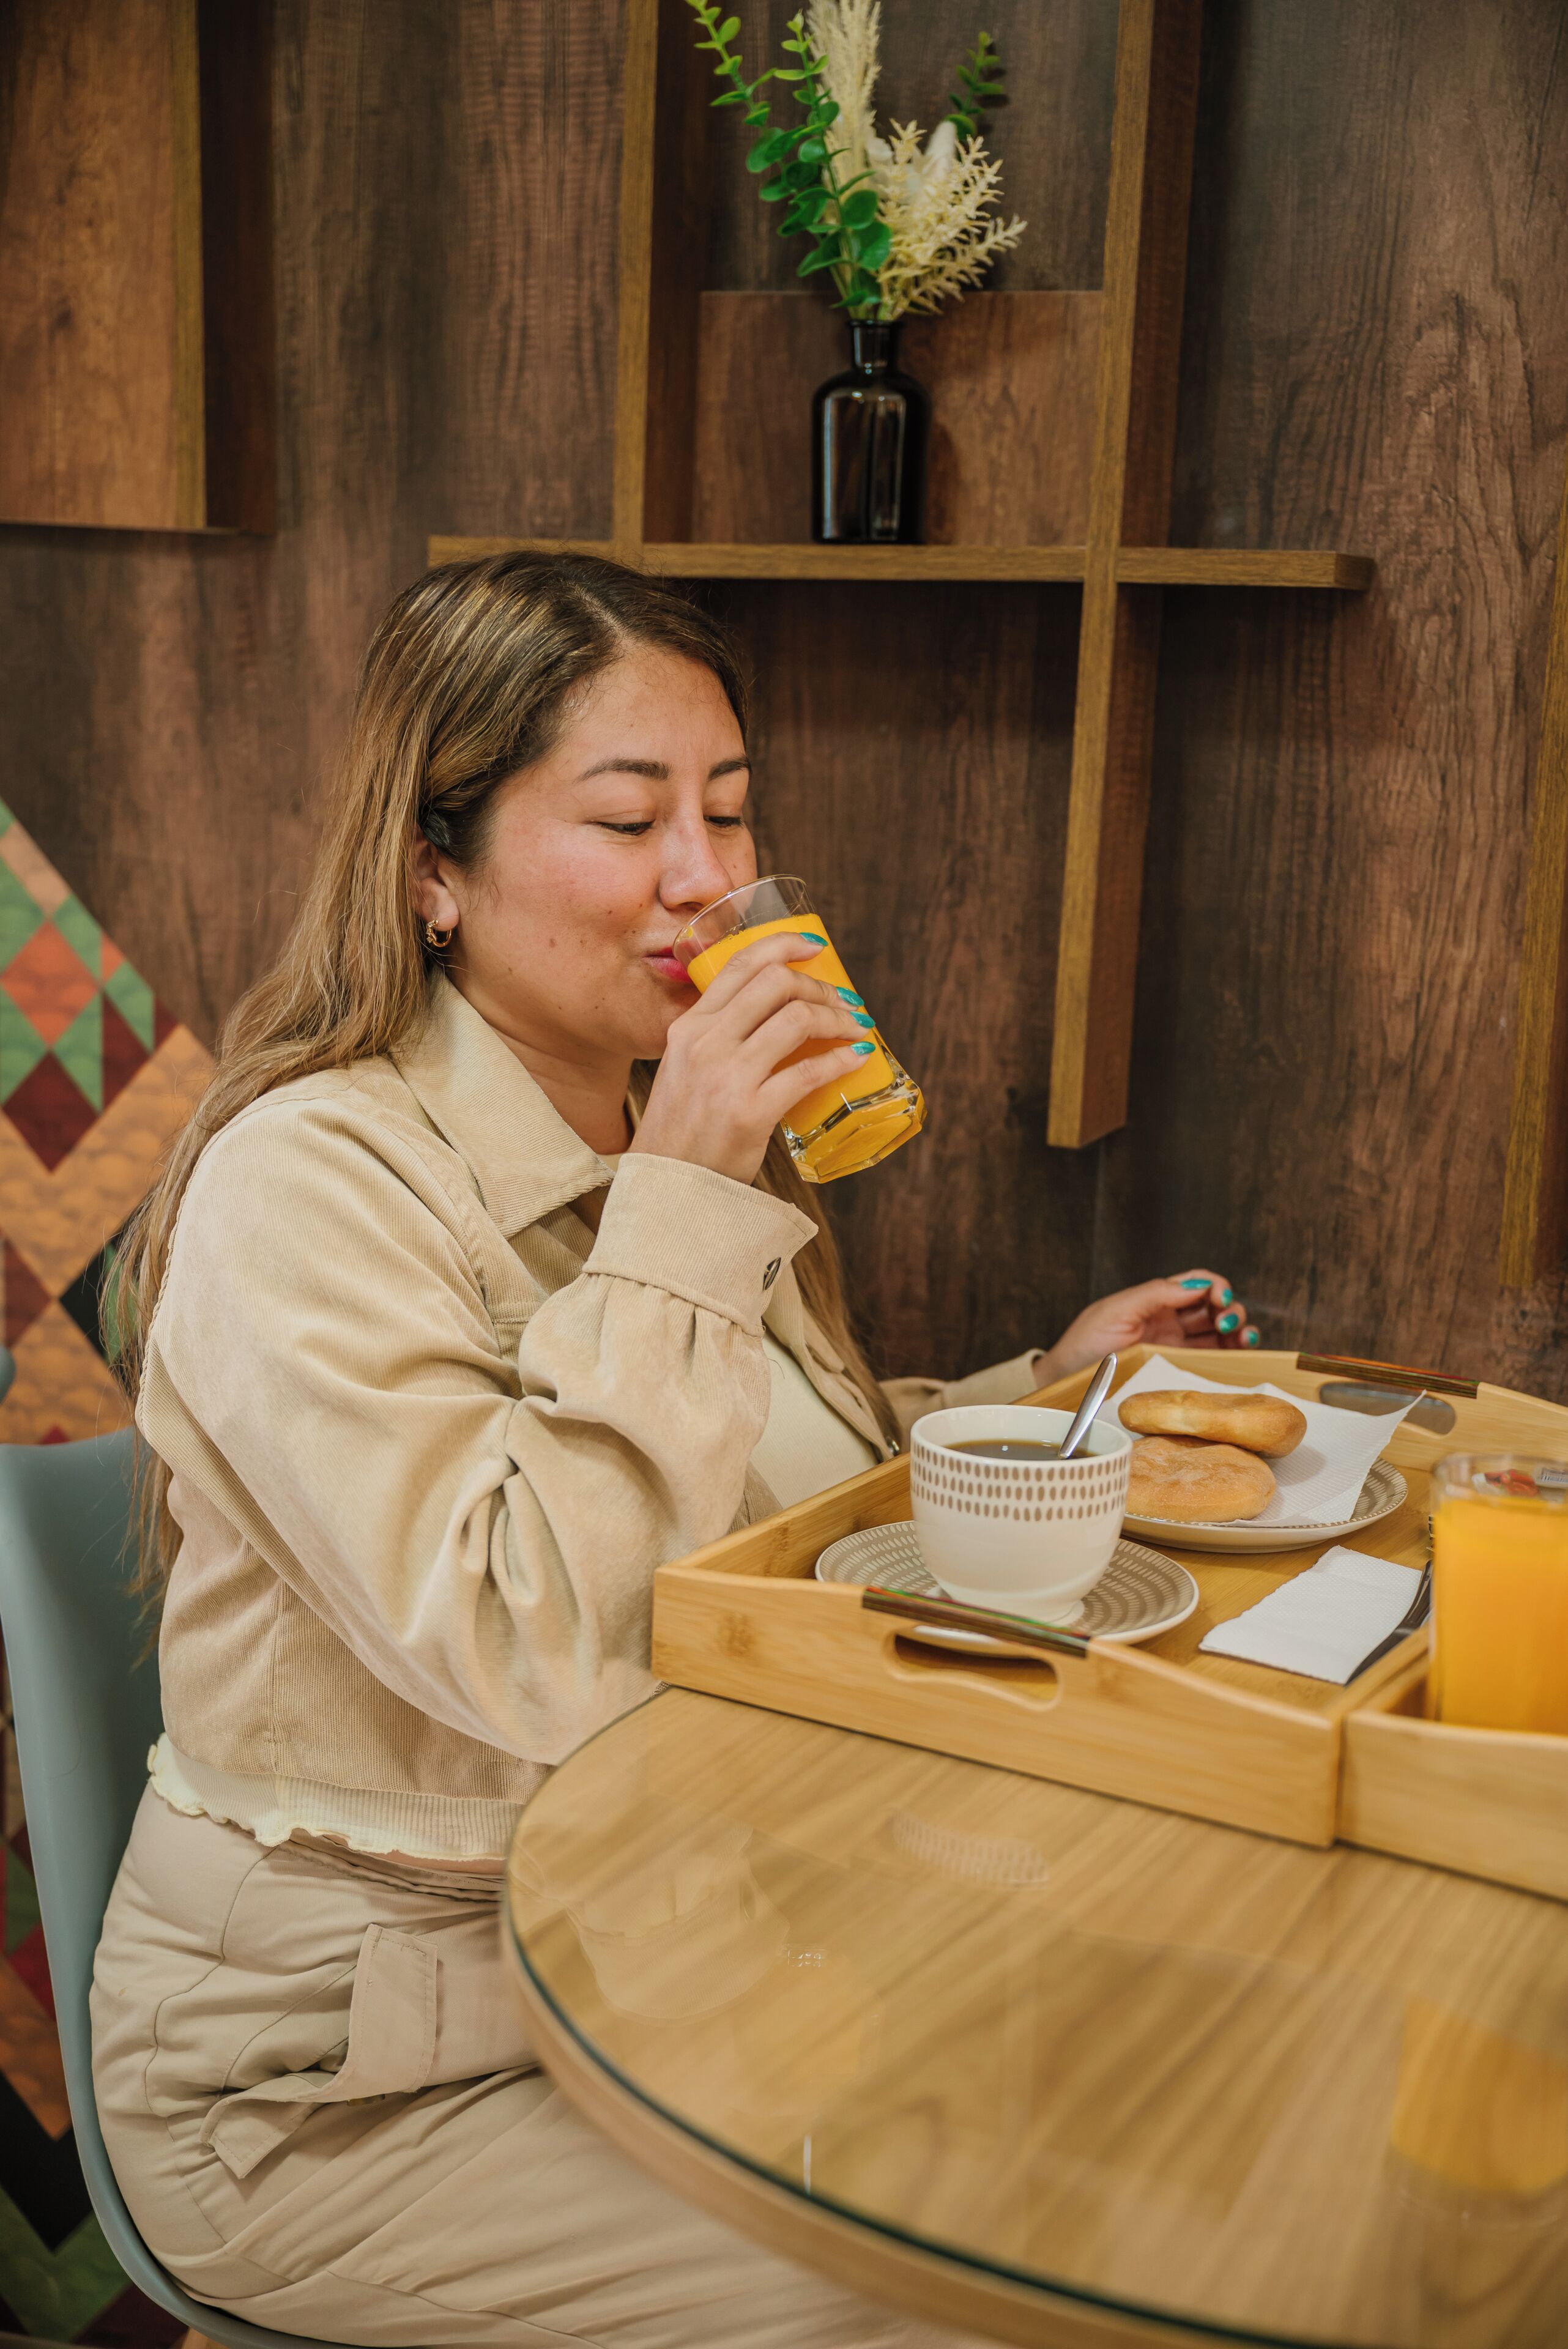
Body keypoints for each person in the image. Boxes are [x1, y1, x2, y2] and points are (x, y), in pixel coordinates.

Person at [91, 551, 1258, 2349]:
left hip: (669, 1960)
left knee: (1165, 2137)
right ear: (432, 870)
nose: (709, 880)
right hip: (352, 2075)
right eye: (629, 818)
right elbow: (534, 1643)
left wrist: (1034, 1400)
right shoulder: (303, 1181)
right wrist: (692, 1199)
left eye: (726, 810)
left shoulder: (641, 1134)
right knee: (975, 2306)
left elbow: (748, 1509)